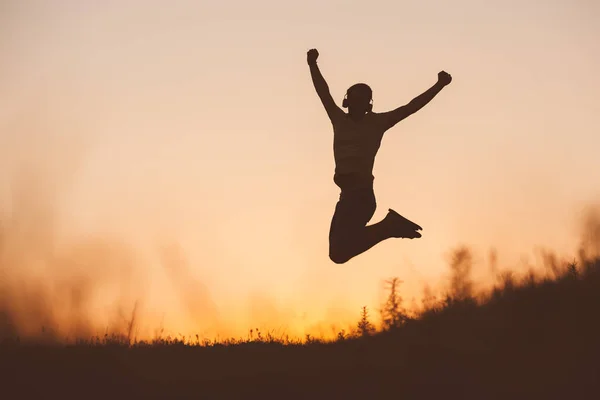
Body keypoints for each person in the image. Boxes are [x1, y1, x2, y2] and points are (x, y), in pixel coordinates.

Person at [307, 48, 452, 264]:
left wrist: (438, 86)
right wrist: (312, 64)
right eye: (354, 98)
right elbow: (323, 92)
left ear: (368, 104)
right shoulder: (339, 119)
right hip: (347, 196)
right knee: (337, 252)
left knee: (339, 253)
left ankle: (388, 227)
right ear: (348, 101)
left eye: (362, 100)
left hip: (361, 197)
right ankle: (389, 226)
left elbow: (411, 107)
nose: (357, 103)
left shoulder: (377, 123)